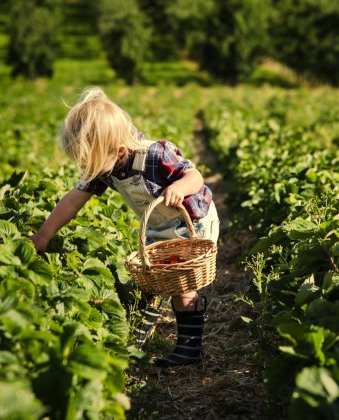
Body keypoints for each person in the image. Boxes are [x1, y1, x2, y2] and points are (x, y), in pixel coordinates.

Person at [30, 86, 219, 368]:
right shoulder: (105, 165)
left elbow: (195, 176)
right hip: (156, 227)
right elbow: (72, 201)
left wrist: (179, 187)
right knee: (150, 280)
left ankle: (189, 349)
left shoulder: (156, 155)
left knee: (181, 284)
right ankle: (135, 344)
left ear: (118, 150)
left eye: (91, 163)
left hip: (190, 224)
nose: (89, 169)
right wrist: (44, 235)